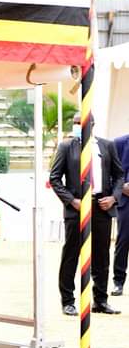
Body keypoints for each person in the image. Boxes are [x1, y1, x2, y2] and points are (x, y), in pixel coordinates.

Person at [49, 113, 123, 316]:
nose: (76, 126)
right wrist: (72, 201)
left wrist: (114, 198)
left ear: (92, 124)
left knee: (101, 257)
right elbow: (55, 178)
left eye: (80, 123)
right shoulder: (67, 147)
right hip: (77, 208)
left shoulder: (107, 146)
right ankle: (68, 300)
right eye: (74, 123)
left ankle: (100, 300)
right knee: (71, 254)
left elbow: (118, 175)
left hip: (101, 206)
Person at [112, 133, 129, 297]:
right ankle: (118, 282)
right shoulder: (119, 142)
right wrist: (122, 187)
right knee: (123, 241)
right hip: (126, 201)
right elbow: (112, 171)